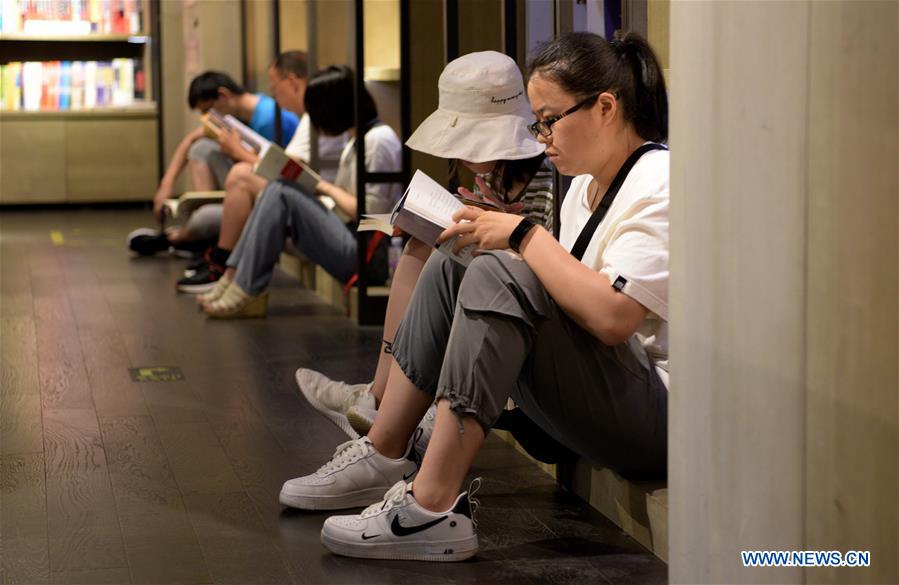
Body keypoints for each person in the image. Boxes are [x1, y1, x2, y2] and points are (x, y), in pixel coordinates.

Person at [281, 31, 670, 563]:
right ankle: (384, 448)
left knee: (495, 269)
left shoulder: (659, 179)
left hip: (656, 419)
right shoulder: (583, 184)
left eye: (550, 119)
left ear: (606, 107)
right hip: (605, 394)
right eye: (538, 122)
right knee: (450, 261)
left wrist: (522, 236)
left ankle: (430, 505)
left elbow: (613, 317)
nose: (543, 136)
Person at [291, 51, 554, 445]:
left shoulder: (546, 178)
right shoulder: (500, 174)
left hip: (523, 304)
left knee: (423, 253)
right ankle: (377, 394)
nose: (463, 154)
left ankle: (379, 400)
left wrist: (503, 227)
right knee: (419, 246)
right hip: (500, 283)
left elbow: (545, 260)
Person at [197, 65, 402, 317]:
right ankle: (234, 279)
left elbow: (372, 214)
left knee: (281, 191)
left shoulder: (379, 140)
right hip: (353, 238)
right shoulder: (358, 139)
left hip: (371, 256)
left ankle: (245, 287)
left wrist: (322, 187)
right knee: (278, 187)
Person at [175, 52, 347, 293]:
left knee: (241, 177)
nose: (275, 96)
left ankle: (225, 267)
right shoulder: (308, 119)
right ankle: (225, 267)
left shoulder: (307, 118)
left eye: (276, 88)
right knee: (227, 175)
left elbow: (289, 173)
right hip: (314, 204)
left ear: (294, 82)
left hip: (320, 211)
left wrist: (239, 152)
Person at [128, 70, 300, 256]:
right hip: (246, 186)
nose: (207, 118)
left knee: (204, 218)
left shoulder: (269, 119)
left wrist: (237, 152)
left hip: (268, 192)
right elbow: (191, 140)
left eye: (208, 110)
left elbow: (275, 170)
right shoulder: (241, 114)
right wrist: (166, 185)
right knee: (201, 148)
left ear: (223, 95)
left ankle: (177, 239)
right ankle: (198, 239)